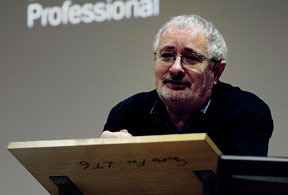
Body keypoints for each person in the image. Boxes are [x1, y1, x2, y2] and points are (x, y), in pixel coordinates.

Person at [100, 15, 273, 156]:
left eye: (191, 58)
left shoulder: (247, 113)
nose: (176, 68)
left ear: (216, 72)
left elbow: (240, 186)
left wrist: (140, 159)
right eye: (167, 55)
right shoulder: (126, 113)